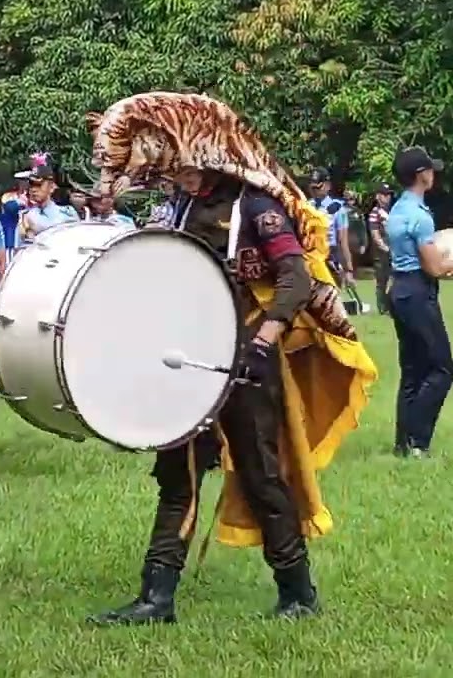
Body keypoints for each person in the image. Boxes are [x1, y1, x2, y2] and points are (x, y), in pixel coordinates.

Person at [83, 92, 377, 625]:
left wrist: (264, 339)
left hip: (244, 359)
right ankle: (157, 599)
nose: (174, 177)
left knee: (263, 476)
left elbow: (296, 279)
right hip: (186, 358)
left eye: (179, 166)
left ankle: (298, 594)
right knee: (179, 475)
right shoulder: (182, 205)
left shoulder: (255, 205)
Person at [384, 147, 453, 459]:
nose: (434, 173)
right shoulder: (420, 217)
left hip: (399, 288)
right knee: (441, 367)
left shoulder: (398, 210)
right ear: (420, 175)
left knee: (412, 368)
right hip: (417, 290)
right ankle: (418, 441)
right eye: (430, 169)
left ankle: (402, 443)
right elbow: (434, 268)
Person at [306, 168, 355, 286]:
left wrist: (349, 269)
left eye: (318, 187)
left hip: (331, 257)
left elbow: (343, 241)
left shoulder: (337, 208)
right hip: (311, 258)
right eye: (313, 188)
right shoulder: (307, 206)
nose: (315, 191)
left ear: (327, 186)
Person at [18, 161, 78, 244]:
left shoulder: (68, 213)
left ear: (52, 187)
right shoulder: (26, 215)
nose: (33, 189)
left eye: (39, 185)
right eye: (32, 185)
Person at [367, 184, 393, 316]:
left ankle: (390, 304)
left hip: (392, 249)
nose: (387, 197)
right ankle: (382, 307)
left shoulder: (390, 212)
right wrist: (384, 247)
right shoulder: (374, 213)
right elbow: (375, 234)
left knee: (396, 278)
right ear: (378, 196)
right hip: (381, 252)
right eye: (384, 194)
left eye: (388, 194)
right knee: (382, 280)